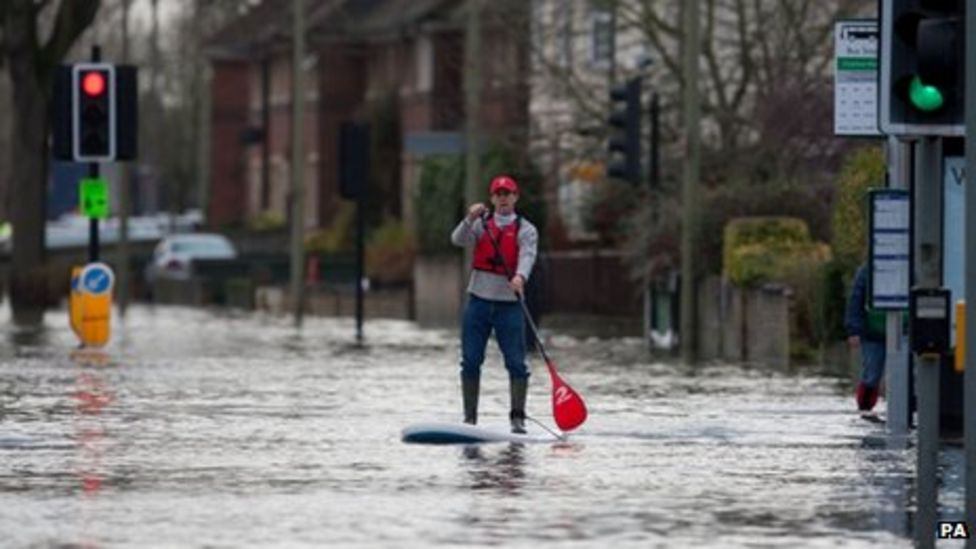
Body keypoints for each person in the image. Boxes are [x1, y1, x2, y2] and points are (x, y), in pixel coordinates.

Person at [450, 175, 539, 433]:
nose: (503, 198)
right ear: (492, 199)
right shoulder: (480, 225)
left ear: (515, 197)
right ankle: (470, 418)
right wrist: (469, 219)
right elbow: (457, 239)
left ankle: (518, 417)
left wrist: (520, 276)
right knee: (470, 361)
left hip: (509, 306)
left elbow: (528, 256)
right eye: (498, 194)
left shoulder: (527, 229)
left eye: (507, 194)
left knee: (516, 363)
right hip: (478, 302)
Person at [844, 263, 886, 412]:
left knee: (907, 377)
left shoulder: (911, 268)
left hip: (903, 331)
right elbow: (856, 300)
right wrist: (854, 330)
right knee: (871, 376)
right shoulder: (866, 272)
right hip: (873, 332)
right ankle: (865, 410)